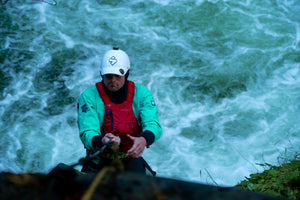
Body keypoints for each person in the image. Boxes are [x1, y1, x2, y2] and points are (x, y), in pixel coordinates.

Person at [77, 47, 162, 174]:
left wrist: (143, 140)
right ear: (102, 75)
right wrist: (102, 140)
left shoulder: (142, 94)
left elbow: (153, 125)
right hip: (99, 159)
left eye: (117, 76)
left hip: (130, 158)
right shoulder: (88, 96)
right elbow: (87, 132)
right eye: (108, 76)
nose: (113, 81)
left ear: (126, 74)